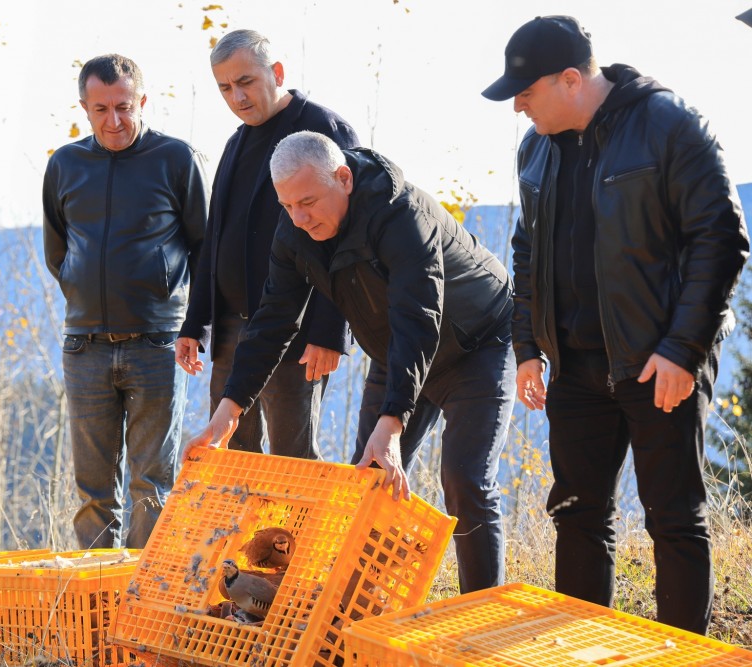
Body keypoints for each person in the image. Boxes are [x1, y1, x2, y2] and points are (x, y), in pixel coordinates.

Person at [482, 16, 748, 633]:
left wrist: (684, 350)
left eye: (526, 92)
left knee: (673, 519)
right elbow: (527, 249)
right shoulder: (536, 148)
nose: (517, 106)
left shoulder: (668, 125)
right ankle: (580, 648)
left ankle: (685, 652)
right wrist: (528, 345)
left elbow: (722, 238)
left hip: (657, 361)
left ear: (571, 79)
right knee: (576, 514)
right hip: (574, 365)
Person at [186, 131, 517, 594]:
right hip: (395, 351)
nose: (299, 218)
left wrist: (393, 421)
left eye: (308, 202)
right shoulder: (296, 232)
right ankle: (351, 613)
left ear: (343, 178)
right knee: (368, 481)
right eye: (287, 207)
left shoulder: (404, 215)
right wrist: (227, 414)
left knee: (465, 478)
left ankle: (480, 615)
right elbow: (271, 323)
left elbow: (418, 317)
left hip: (476, 342)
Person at [42, 54, 209, 549]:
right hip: (84, 347)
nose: (113, 121)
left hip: (157, 344)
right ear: (84, 108)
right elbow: (58, 251)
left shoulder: (177, 159)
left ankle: (143, 603)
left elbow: (206, 249)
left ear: (142, 101)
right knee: (93, 491)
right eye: (100, 109)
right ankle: (97, 605)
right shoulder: (65, 164)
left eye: (123, 107)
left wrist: (193, 328)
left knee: (151, 487)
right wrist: (81, 288)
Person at [175, 30, 357, 460]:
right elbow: (215, 236)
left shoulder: (324, 128)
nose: (236, 96)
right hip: (231, 329)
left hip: (296, 329)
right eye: (225, 87)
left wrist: (330, 331)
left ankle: (294, 533)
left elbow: (352, 239)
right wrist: (196, 322)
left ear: (276, 72)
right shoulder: (235, 143)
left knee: (291, 459)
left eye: (246, 82)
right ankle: (243, 532)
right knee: (230, 453)